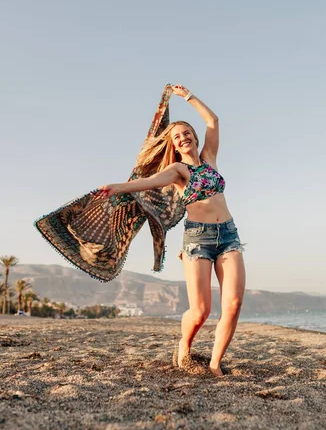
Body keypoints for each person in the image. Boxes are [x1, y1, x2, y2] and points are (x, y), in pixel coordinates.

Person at [96, 85, 246, 376]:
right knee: (201, 310)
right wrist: (118, 187)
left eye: (186, 132)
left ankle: (215, 363)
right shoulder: (178, 171)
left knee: (234, 302)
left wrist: (187, 97)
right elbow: (149, 182)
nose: (183, 137)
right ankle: (184, 345)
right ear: (174, 145)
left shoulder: (210, 157)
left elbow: (213, 120)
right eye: (177, 136)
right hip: (198, 239)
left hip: (228, 234)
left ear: (194, 136)